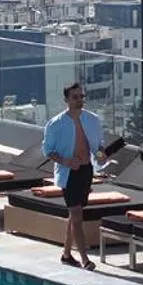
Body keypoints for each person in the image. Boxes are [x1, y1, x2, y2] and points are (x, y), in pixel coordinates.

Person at [41, 82, 107, 270]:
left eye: (81, 97)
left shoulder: (92, 120)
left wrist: (102, 156)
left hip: (86, 170)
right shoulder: (56, 123)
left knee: (74, 214)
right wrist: (66, 161)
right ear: (66, 100)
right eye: (75, 97)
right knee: (77, 215)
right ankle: (85, 259)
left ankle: (66, 254)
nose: (79, 101)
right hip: (68, 173)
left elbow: (99, 146)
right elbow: (47, 150)